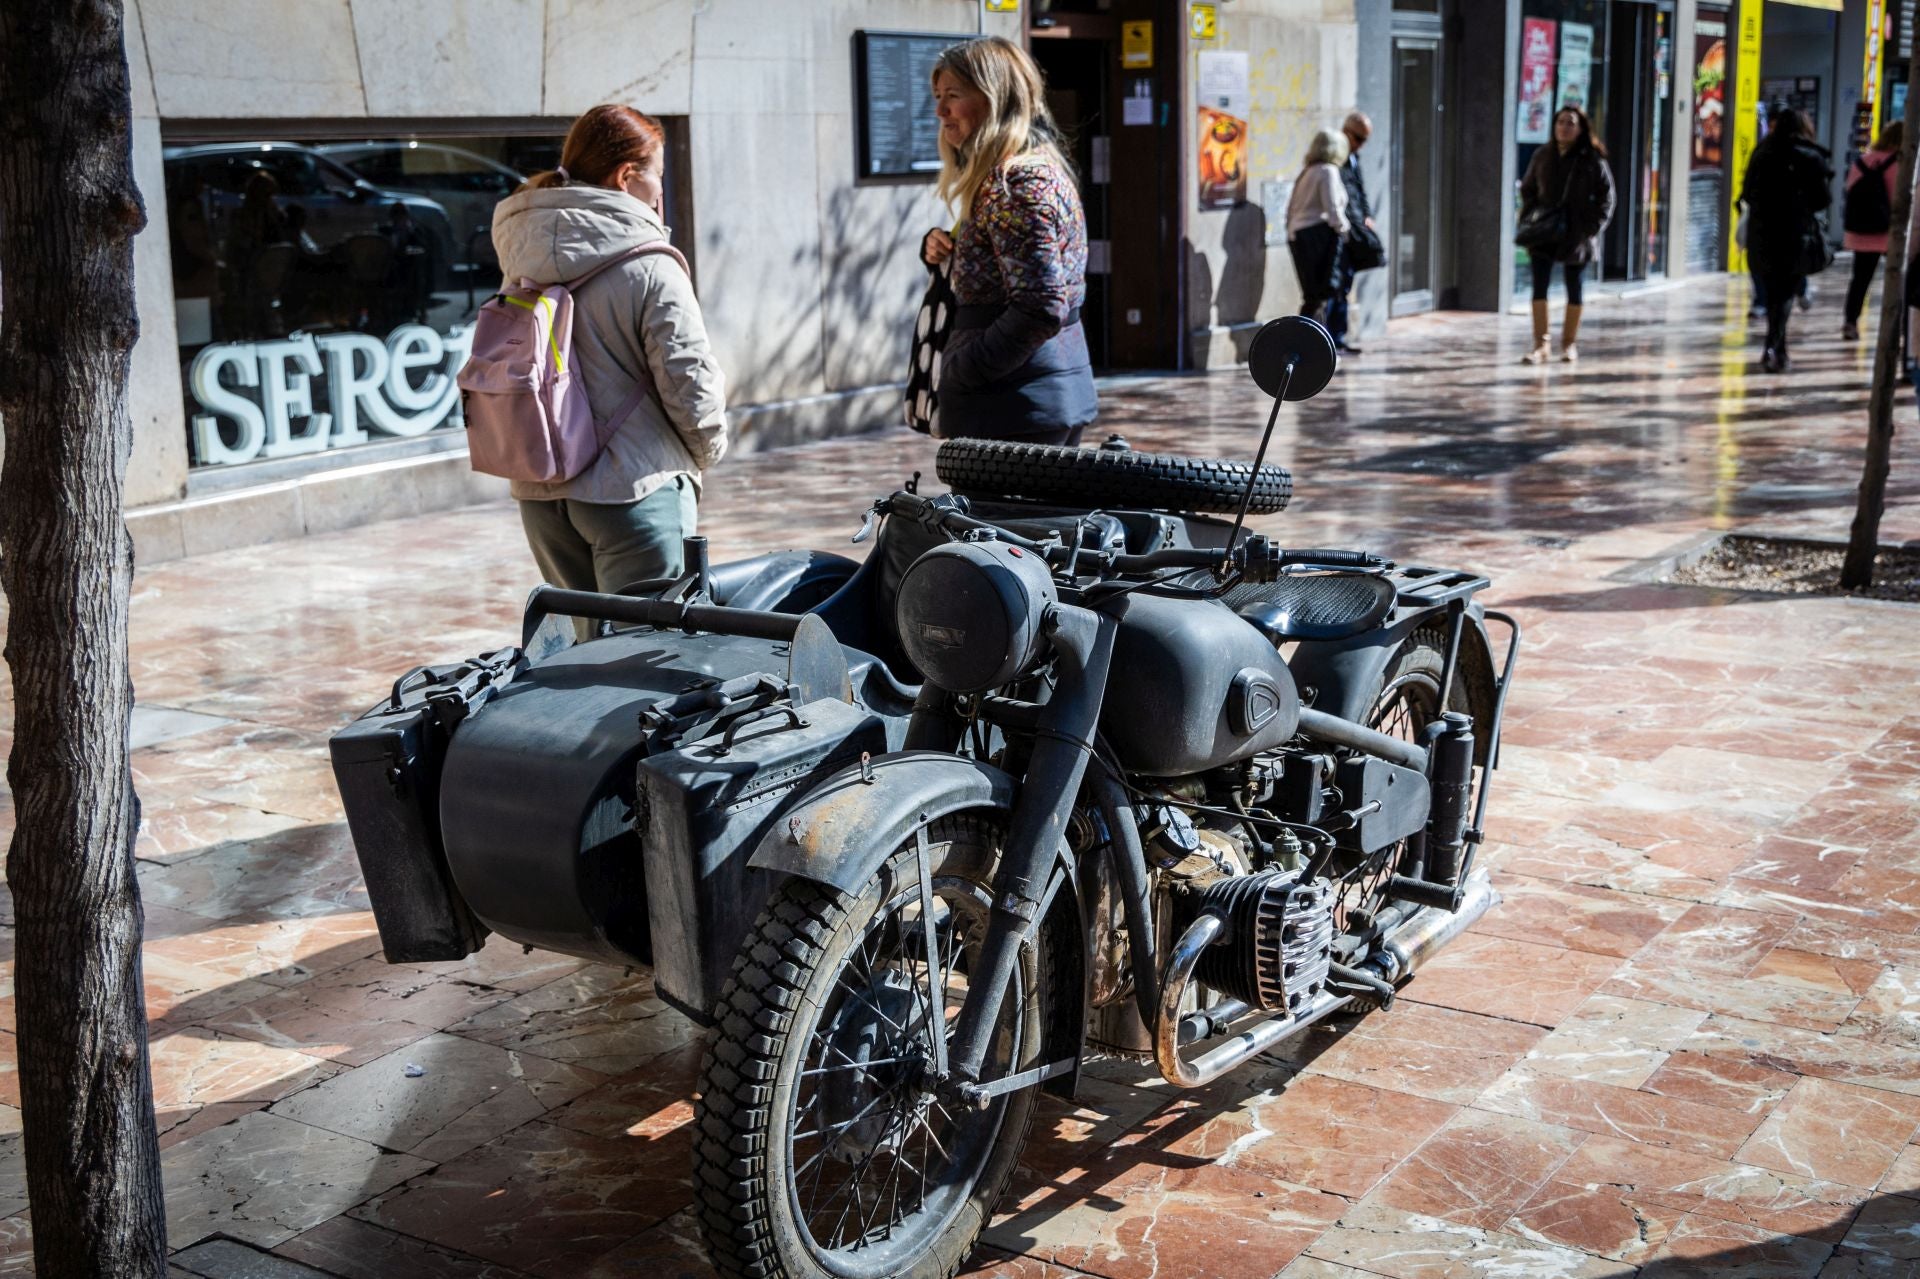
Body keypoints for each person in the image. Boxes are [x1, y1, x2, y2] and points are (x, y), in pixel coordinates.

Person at [491, 103, 728, 594]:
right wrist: (707, 451)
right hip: (636, 491)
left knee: (584, 656)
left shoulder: (523, 252)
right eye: (658, 175)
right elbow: (688, 378)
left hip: (541, 492)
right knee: (649, 657)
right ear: (626, 176)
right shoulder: (650, 265)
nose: (660, 190)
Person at [918, 36, 1096, 446]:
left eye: (953, 95)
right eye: (938, 96)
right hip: (1026, 397)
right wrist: (943, 248)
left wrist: (964, 369)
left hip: (1014, 405)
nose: (940, 110)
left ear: (992, 98)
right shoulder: (1019, 175)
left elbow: (1041, 304)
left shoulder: (1017, 182)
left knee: (1001, 514)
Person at [1517, 106, 1616, 364]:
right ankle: (1541, 344)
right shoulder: (1543, 155)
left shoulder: (1592, 159)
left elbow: (1607, 198)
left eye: (1571, 123)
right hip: (1545, 230)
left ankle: (1569, 344)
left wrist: (1590, 228)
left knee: (1575, 286)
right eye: (1560, 122)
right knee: (1540, 285)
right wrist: (1530, 217)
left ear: (1581, 128)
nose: (1564, 127)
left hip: (1576, 234)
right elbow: (1527, 189)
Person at [1740, 105, 1833, 372]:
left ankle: (1776, 347)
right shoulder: (1811, 157)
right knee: (1784, 293)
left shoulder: (1762, 153)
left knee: (1773, 293)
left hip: (1762, 234)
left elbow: (1747, 192)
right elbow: (1822, 199)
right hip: (1795, 235)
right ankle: (1774, 347)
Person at [1842, 119, 1904, 340]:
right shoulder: (1904, 166)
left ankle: (1850, 321)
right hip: (1893, 232)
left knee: (1860, 279)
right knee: (1900, 279)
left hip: (1864, 231)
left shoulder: (1863, 161)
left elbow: (1849, 189)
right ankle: (1900, 326)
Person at [1286, 129, 1350, 329]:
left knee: (1313, 296)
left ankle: (1309, 341)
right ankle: (1308, 341)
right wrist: (1344, 230)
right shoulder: (1327, 171)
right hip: (1317, 238)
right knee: (1318, 296)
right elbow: (1333, 208)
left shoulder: (1309, 170)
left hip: (1300, 235)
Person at [1329, 111, 1375, 355]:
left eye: (1364, 140)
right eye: (1359, 138)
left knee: (1345, 284)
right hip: (1340, 232)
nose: (1361, 145)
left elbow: (1360, 191)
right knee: (1334, 286)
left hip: (1354, 229)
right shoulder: (1335, 160)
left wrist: (1367, 216)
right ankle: (1329, 338)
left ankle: (1338, 336)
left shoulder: (1354, 159)